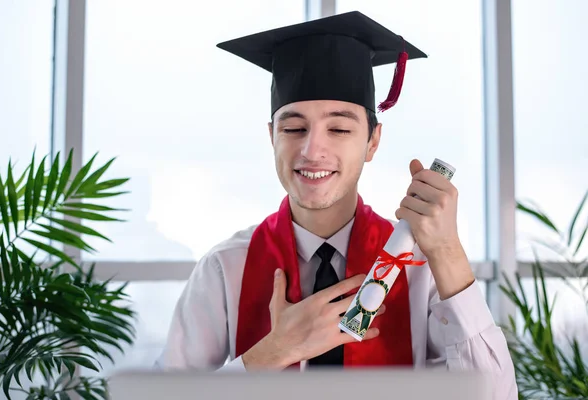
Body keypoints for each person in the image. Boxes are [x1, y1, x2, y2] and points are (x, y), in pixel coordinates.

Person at [156, 11, 517, 399]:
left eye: (340, 129)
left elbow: (496, 396)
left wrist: (446, 252)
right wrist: (272, 353)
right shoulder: (226, 268)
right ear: (271, 137)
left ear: (373, 141)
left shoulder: (420, 271)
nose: (312, 150)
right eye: (293, 128)